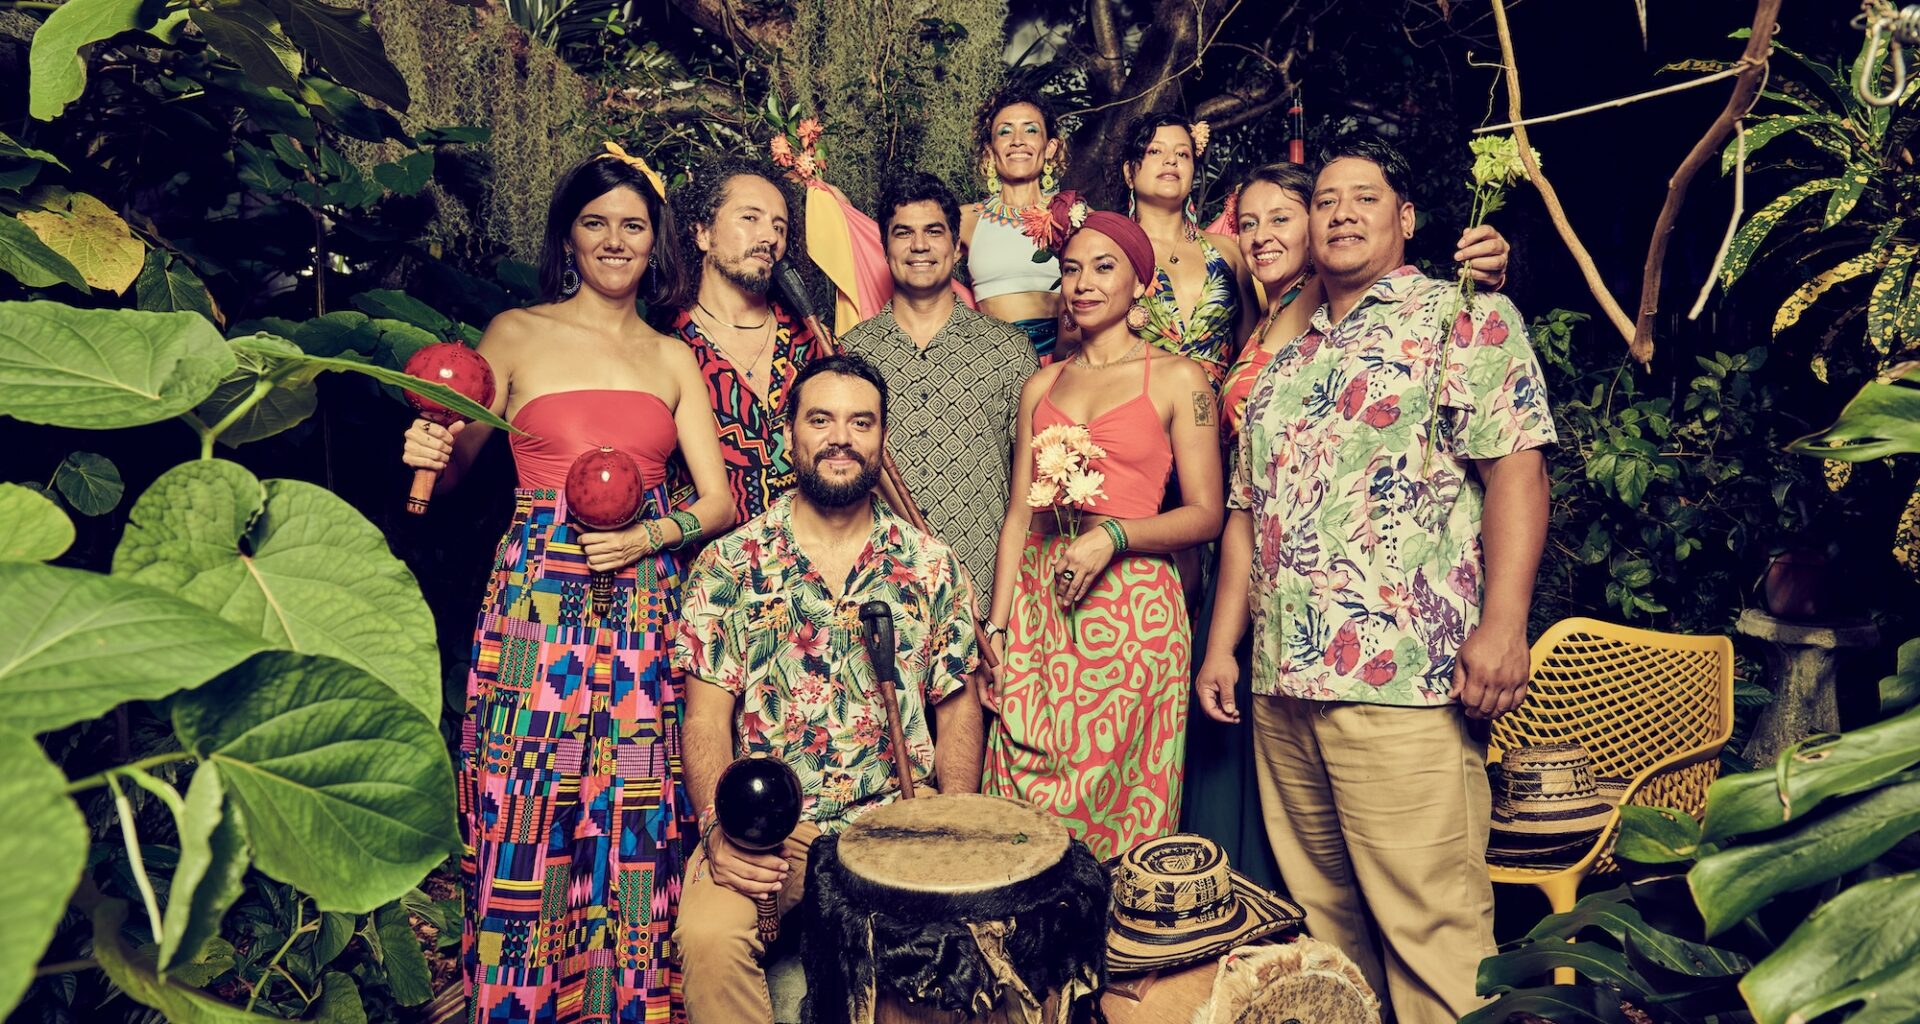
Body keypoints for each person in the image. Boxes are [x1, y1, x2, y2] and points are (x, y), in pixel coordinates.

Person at [1218, 136, 1554, 1024]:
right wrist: (1232, 649)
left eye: (1364, 198)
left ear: (1406, 219)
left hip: (1401, 679)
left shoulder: (1466, 318)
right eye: (1326, 199)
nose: (1340, 213)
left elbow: (1517, 470)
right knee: (1330, 939)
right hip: (1285, 685)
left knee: (1432, 928)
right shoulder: (1284, 364)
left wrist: (1505, 625)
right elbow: (1250, 511)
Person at [402, 149, 735, 1024]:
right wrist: (429, 450)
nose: (615, 239)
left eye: (633, 224)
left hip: (640, 609)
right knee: (526, 790)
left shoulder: (673, 358)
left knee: (632, 797)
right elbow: (464, 452)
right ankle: (516, 1001)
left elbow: (719, 500)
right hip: (535, 610)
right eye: (596, 223)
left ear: (654, 239)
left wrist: (645, 536)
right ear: (570, 237)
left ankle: (623, 1005)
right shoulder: (515, 332)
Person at [672, 353, 985, 1024]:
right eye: (821, 419)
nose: (841, 437)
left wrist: (950, 826)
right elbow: (703, 721)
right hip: (770, 832)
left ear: (881, 439)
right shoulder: (730, 563)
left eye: (861, 422)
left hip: (894, 823)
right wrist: (718, 831)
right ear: (790, 437)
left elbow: (958, 709)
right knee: (707, 933)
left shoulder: (930, 565)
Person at [979, 209, 1224, 861]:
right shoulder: (1041, 385)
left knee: (1122, 811)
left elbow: (1207, 514)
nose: (1084, 282)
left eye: (1104, 267)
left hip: (1134, 617)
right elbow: (1017, 519)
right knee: (1023, 816)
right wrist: (997, 630)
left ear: (1140, 284)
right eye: (1072, 269)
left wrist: (1113, 535)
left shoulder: (1178, 378)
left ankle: (1120, 960)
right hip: (1039, 613)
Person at [840, 170, 1038, 605]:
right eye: (903, 233)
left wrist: (1003, 617)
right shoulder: (851, 352)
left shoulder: (1008, 349)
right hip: (877, 592)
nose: (920, 246)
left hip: (983, 595)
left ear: (955, 245)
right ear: (884, 246)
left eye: (934, 231)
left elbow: (1029, 494)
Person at [667, 155, 828, 530]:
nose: (769, 237)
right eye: (750, 218)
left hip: (811, 575)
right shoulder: (665, 348)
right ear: (702, 233)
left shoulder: (815, 344)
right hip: (708, 575)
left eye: (779, 227)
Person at [1120, 113, 1249, 382]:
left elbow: (1251, 354)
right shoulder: (1110, 252)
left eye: (1183, 154)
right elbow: (1075, 352)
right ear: (1129, 173)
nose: (1171, 160)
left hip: (1220, 415)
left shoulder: (1228, 253)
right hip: (1135, 410)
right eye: (1155, 151)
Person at [958, 87, 1072, 359]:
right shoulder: (965, 220)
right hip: (992, 366)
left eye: (1031, 130)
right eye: (1005, 131)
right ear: (990, 151)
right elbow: (902, 252)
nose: (1018, 141)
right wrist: (838, 209)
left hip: (1065, 363)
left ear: (1050, 148)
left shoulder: (1075, 213)